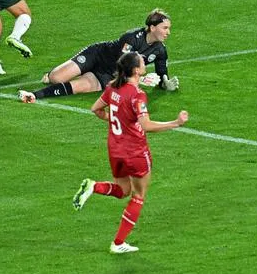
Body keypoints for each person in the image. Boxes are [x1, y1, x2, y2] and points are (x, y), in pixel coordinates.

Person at [70, 51, 189, 254]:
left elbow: (96, 109)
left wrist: (117, 120)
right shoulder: (137, 95)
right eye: (142, 62)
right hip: (135, 151)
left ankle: (93, 186)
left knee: (123, 190)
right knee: (138, 196)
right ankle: (118, 244)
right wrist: (175, 123)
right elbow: (146, 125)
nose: (145, 63)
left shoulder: (112, 88)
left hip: (115, 148)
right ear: (136, 70)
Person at [20, 9, 180, 103]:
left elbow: (162, 74)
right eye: (165, 28)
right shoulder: (132, 37)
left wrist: (165, 83)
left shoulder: (160, 50)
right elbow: (122, 64)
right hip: (97, 56)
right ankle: (53, 74)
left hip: (106, 76)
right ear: (152, 28)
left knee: (77, 88)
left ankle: (34, 94)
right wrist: (139, 79)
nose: (168, 32)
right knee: (56, 78)